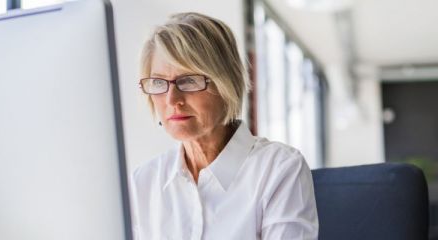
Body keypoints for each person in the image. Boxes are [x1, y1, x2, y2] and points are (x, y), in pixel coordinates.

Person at [128, 12, 319, 240]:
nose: (171, 100)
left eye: (189, 80)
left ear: (226, 83)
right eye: (159, 82)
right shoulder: (144, 181)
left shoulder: (279, 169)